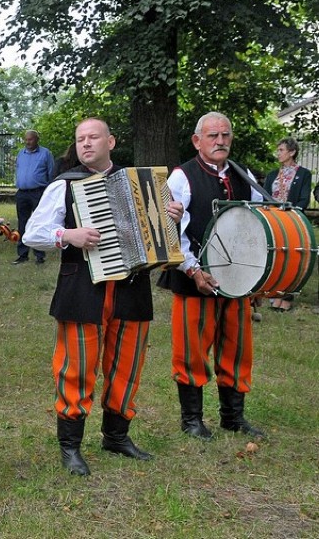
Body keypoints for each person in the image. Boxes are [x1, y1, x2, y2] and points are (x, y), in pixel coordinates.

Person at [22, 118, 182, 476]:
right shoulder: (64, 185)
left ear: (110, 142)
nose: (86, 143)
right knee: (76, 367)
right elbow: (33, 233)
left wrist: (173, 218)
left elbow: (162, 240)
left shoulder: (142, 184)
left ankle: (116, 435)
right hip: (82, 286)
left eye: (93, 137)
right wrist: (69, 235)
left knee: (127, 366)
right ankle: (71, 445)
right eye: (80, 139)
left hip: (132, 285)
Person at [160, 112, 265, 441]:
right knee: (191, 351)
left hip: (237, 281)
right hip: (194, 279)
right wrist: (192, 269)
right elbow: (169, 231)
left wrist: (260, 275)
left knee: (237, 349)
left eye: (225, 135)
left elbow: (261, 225)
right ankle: (191, 420)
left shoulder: (243, 175)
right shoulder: (181, 178)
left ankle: (233, 418)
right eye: (212, 136)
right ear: (197, 141)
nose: (220, 141)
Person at [263, 137, 312, 312]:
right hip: (275, 220)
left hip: (292, 220)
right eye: (278, 150)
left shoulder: (303, 174)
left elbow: (304, 198)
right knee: (277, 256)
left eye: (282, 150)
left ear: (292, 152)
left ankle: (288, 296)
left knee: (293, 257)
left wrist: (292, 212)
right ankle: (275, 294)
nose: (279, 153)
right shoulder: (271, 175)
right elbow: (265, 197)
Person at [14, 129, 54, 265]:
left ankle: (39, 255)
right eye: (26, 139)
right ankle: (22, 254)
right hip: (22, 193)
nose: (27, 142)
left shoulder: (46, 154)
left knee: (38, 223)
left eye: (30, 139)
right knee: (22, 223)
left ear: (37, 139)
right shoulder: (21, 153)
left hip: (38, 192)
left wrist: (47, 192)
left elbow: (51, 173)